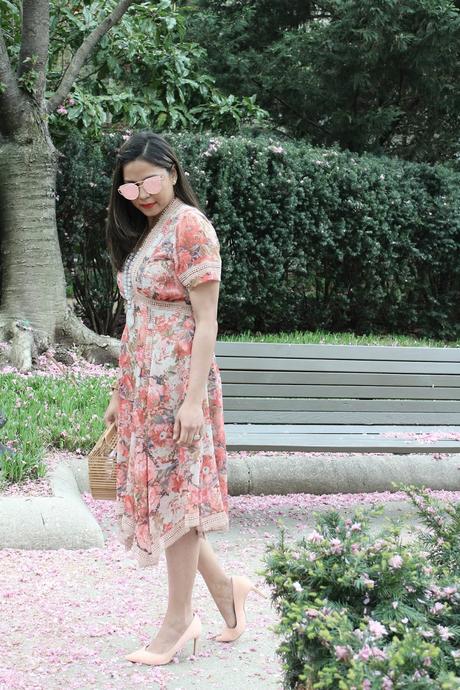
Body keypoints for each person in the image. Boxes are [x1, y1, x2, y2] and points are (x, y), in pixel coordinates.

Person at [103, 131, 266, 667]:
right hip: (145, 387)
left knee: (180, 500)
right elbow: (138, 321)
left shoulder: (190, 227)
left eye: (149, 179)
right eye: (129, 187)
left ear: (172, 172)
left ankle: (179, 619)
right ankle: (227, 591)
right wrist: (118, 392)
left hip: (178, 388)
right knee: (175, 501)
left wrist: (193, 402)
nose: (141, 192)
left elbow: (206, 323)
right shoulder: (153, 234)